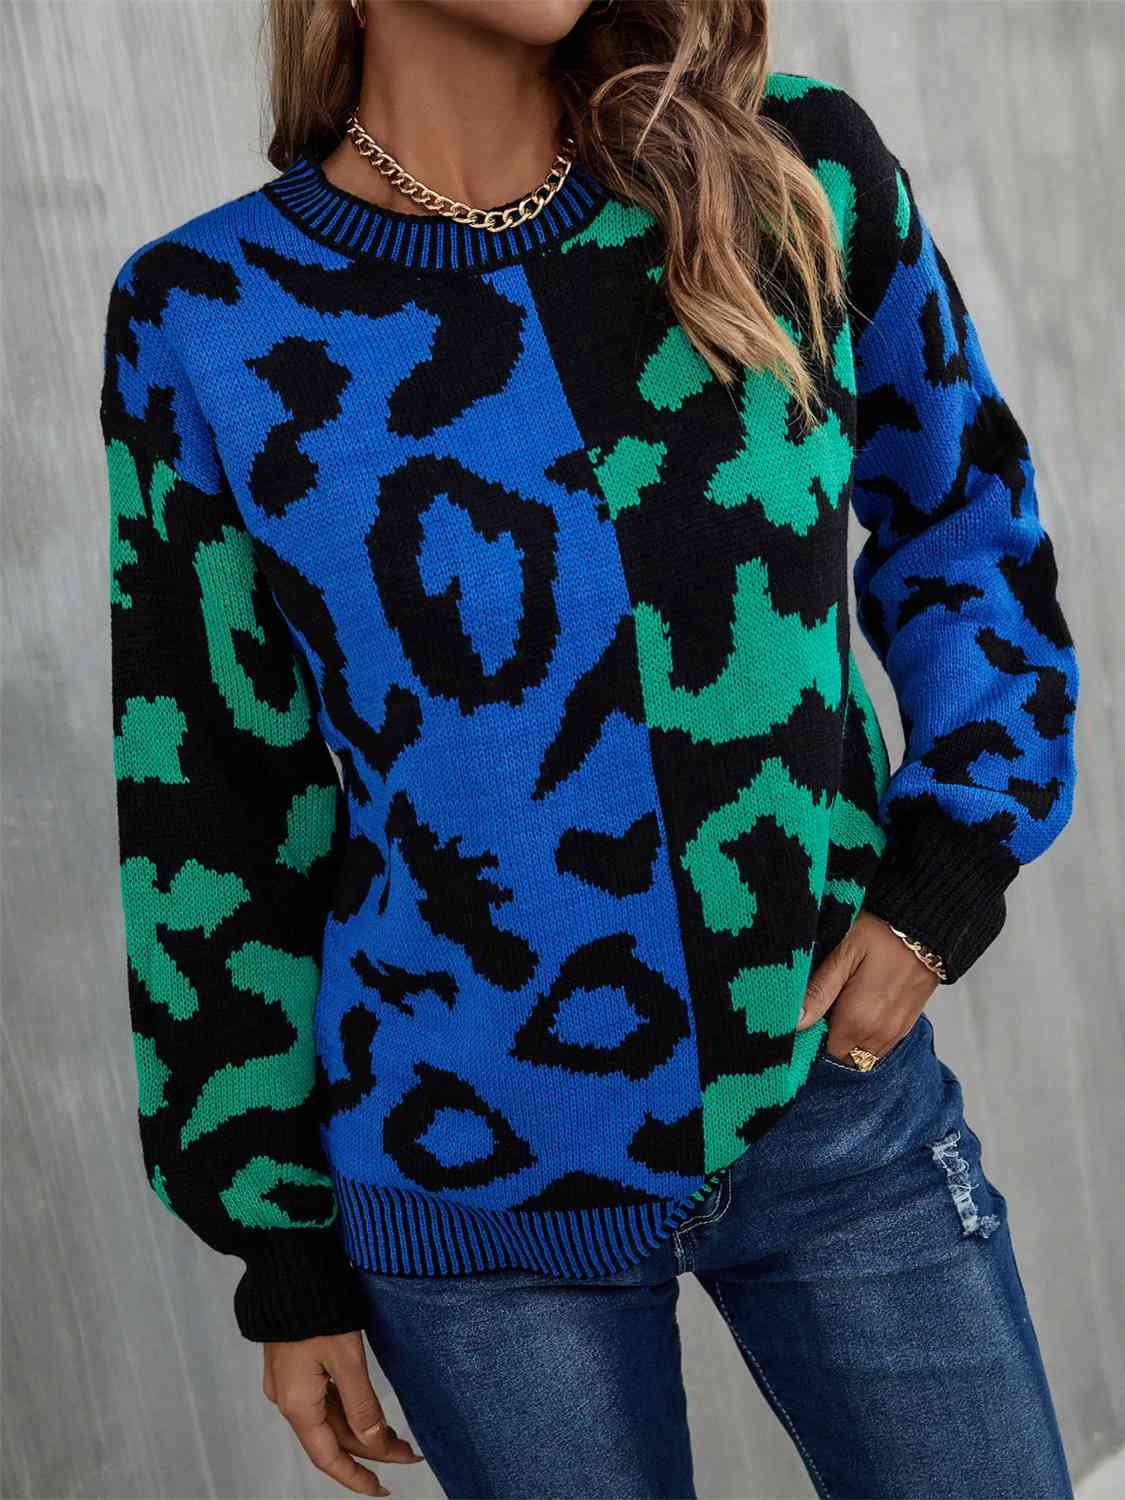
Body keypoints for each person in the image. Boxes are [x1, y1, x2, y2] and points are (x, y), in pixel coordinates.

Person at [99, 1, 1080, 1495]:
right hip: (465, 1192)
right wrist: (281, 1251)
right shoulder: (205, 312)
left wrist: (947, 868)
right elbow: (212, 802)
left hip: (829, 1110)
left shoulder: (786, 169)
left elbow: (963, 517)